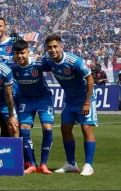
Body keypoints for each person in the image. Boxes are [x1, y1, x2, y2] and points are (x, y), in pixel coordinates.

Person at [42, 34, 96, 176]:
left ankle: (88, 165)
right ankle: (71, 164)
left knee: (86, 128)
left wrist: (87, 102)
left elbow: (90, 79)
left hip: (85, 99)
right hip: (70, 99)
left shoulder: (73, 61)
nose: (52, 50)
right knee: (65, 129)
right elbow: (36, 68)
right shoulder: (48, 60)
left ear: (61, 46)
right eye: (49, 47)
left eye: (55, 46)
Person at [7, 40, 54, 174]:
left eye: (22, 53)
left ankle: (43, 164)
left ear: (28, 52)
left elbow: (55, 66)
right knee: (24, 130)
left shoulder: (39, 64)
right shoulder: (12, 66)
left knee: (47, 128)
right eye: (17, 54)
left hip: (43, 99)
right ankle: (32, 164)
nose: (20, 56)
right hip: (26, 100)